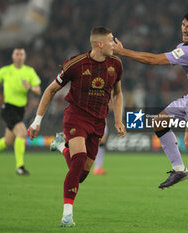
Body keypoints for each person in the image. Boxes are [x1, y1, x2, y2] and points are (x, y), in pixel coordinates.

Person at [113, 9, 188, 215]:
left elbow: (153, 60)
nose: (184, 30)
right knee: (159, 122)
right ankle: (179, 170)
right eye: (183, 25)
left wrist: (122, 52)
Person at [27, 26, 126, 227]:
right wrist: (37, 120)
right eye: (110, 41)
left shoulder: (116, 63)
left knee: (81, 174)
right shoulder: (76, 64)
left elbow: (117, 93)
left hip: (98, 121)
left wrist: (118, 120)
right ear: (99, 44)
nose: (114, 45)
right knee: (79, 159)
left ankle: (62, 146)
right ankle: (67, 215)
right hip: (76, 117)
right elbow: (51, 89)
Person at [0, 48, 41, 175]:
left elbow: (38, 90)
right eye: (17, 54)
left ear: (24, 56)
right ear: (13, 56)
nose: (19, 56)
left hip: (20, 110)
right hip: (8, 108)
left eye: (21, 54)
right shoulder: (5, 70)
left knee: (8, 140)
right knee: (22, 133)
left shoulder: (29, 71)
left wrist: (30, 88)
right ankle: (19, 167)